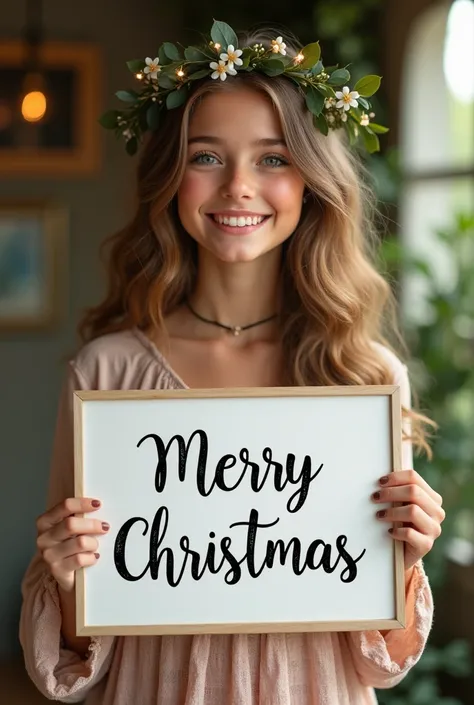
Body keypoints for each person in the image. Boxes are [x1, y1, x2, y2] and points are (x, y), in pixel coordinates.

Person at [19, 20, 445, 705]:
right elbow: (73, 663)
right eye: (207, 156)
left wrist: (405, 558)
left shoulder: (363, 376)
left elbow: (380, 662)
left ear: (312, 182)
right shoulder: (106, 373)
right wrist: (70, 578)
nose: (239, 186)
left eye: (274, 158)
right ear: (170, 177)